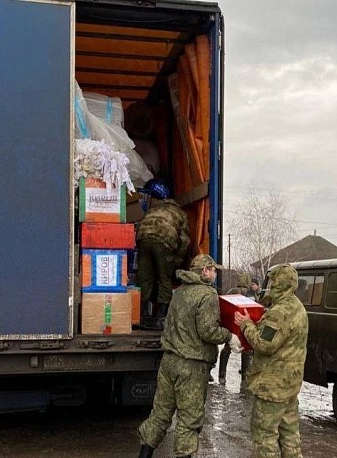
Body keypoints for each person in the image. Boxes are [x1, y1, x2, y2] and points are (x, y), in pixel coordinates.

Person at [138, 254, 242, 458]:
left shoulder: (179, 292)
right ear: (205, 271)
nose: (215, 274)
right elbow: (208, 331)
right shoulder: (207, 294)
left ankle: (144, 455)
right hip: (191, 367)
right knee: (189, 421)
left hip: (169, 362)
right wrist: (229, 336)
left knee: (159, 415)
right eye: (213, 270)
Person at [233, 264, 308, 458]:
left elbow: (264, 344)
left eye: (273, 281)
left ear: (279, 283)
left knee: (264, 436)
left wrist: (246, 324)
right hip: (289, 385)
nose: (271, 285)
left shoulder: (280, 311)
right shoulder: (297, 306)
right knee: (290, 436)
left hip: (273, 387)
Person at [136, 179, 190, 330]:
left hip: (143, 238)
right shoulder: (179, 213)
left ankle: (143, 315)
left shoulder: (153, 210)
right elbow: (184, 240)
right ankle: (161, 317)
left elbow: (140, 224)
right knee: (164, 278)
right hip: (164, 241)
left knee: (145, 277)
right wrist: (177, 261)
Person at [217, 273, 255, 384]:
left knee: (227, 349)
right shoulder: (251, 294)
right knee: (247, 351)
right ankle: (244, 377)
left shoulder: (231, 292)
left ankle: (222, 375)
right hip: (245, 324)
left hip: (232, 325)